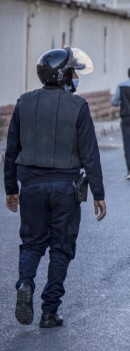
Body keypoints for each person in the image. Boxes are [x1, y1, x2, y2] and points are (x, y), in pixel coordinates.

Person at [4, 48, 107, 328]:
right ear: (64, 75)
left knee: (32, 243)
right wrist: (98, 194)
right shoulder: (78, 106)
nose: (75, 77)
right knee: (61, 248)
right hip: (66, 188)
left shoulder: (23, 103)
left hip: (31, 188)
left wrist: (10, 189)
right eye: (72, 72)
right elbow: (90, 154)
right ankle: (50, 311)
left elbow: (11, 150)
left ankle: (25, 283)